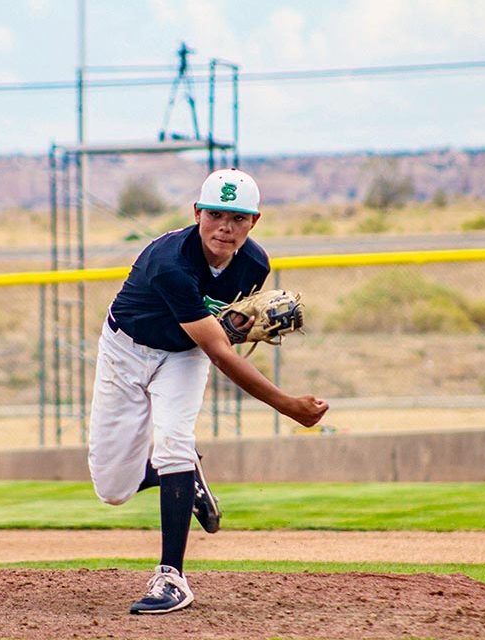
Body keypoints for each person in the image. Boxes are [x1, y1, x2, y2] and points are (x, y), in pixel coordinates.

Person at [87, 167, 329, 615]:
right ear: (197, 213)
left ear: (253, 222)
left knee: (174, 443)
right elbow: (219, 349)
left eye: (238, 217)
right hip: (125, 352)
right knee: (113, 489)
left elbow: (218, 337)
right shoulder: (170, 262)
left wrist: (236, 329)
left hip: (184, 357)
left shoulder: (255, 264)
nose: (226, 226)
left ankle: (170, 577)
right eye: (216, 213)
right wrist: (288, 406)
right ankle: (184, 476)